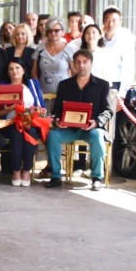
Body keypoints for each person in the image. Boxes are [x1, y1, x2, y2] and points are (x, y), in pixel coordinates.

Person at [46, 49, 116, 191]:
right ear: (73, 65)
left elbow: (108, 111)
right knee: (52, 135)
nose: (81, 65)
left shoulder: (102, 85)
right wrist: (58, 120)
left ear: (91, 64)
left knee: (97, 136)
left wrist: (97, 122)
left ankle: (96, 178)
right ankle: (56, 176)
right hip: (69, 129)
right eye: (78, 62)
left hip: (91, 128)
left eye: (85, 62)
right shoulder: (64, 85)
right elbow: (57, 109)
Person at [0, 59, 45, 186]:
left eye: (17, 68)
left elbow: (42, 108)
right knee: (16, 133)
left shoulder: (32, 84)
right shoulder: (2, 86)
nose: (14, 71)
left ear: (23, 70)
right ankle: (16, 170)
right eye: (11, 69)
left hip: (30, 122)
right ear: (7, 72)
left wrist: (35, 110)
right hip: (9, 123)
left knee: (31, 133)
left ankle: (26, 170)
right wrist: (8, 109)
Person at [32, 17, 73, 111]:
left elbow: (74, 71)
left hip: (64, 92)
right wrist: (37, 89)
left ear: (63, 31)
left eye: (56, 30)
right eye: (50, 31)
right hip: (43, 92)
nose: (53, 33)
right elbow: (33, 71)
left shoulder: (69, 49)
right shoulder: (40, 48)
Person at [101, 6, 136, 94]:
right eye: (108, 20)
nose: (110, 24)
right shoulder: (98, 37)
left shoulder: (125, 37)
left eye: (114, 20)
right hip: (99, 82)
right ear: (103, 22)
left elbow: (128, 67)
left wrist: (122, 93)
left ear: (120, 22)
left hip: (116, 84)